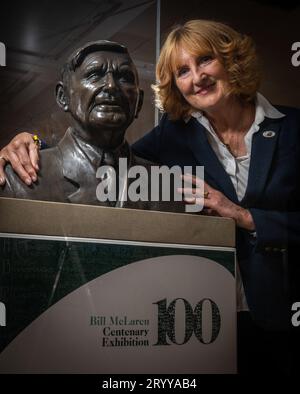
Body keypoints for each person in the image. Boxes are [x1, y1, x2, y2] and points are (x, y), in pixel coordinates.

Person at [1, 20, 299, 374]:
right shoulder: (175, 136)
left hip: (283, 308)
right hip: (212, 323)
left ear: (231, 59)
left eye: (205, 60)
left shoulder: (292, 128)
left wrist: (244, 217)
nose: (196, 77)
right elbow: (105, 158)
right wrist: (30, 143)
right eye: (182, 71)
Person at [0, 40, 182, 212]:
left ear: (138, 103)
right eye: (94, 75)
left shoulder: (168, 188)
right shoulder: (16, 180)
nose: (111, 86)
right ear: (63, 97)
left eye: (125, 77)